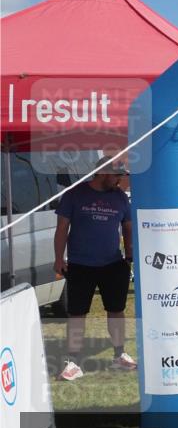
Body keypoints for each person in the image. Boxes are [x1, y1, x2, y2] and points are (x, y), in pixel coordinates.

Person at [53, 160, 137, 380]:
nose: (120, 180)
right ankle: (73, 362)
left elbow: (128, 228)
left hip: (113, 264)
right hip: (80, 264)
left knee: (116, 311)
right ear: (102, 173)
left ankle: (119, 355)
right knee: (77, 314)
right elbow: (62, 227)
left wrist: (129, 253)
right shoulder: (74, 194)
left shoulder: (120, 197)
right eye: (116, 175)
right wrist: (58, 258)